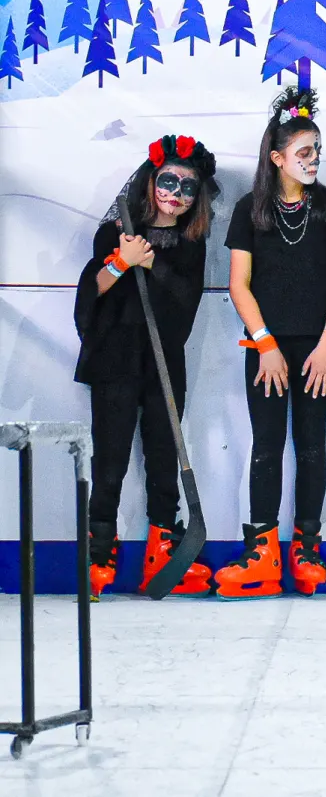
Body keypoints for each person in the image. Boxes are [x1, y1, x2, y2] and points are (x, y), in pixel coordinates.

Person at [215, 87, 326, 599]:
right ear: (277, 158)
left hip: (318, 348)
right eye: (304, 152)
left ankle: (306, 546)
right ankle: (262, 551)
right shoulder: (249, 209)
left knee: (312, 445)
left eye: (317, 150)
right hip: (265, 349)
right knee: (267, 445)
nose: (313, 159)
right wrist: (265, 343)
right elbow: (239, 284)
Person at [74, 135, 220, 597]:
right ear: (151, 182)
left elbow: (185, 302)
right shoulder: (115, 232)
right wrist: (123, 261)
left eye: (187, 187)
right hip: (115, 358)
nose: (176, 194)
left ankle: (163, 549)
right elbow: (91, 292)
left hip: (163, 360)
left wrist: (154, 266)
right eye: (168, 182)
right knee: (111, 457)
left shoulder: (192, 243)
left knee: (163, 454)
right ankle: (98, 553)